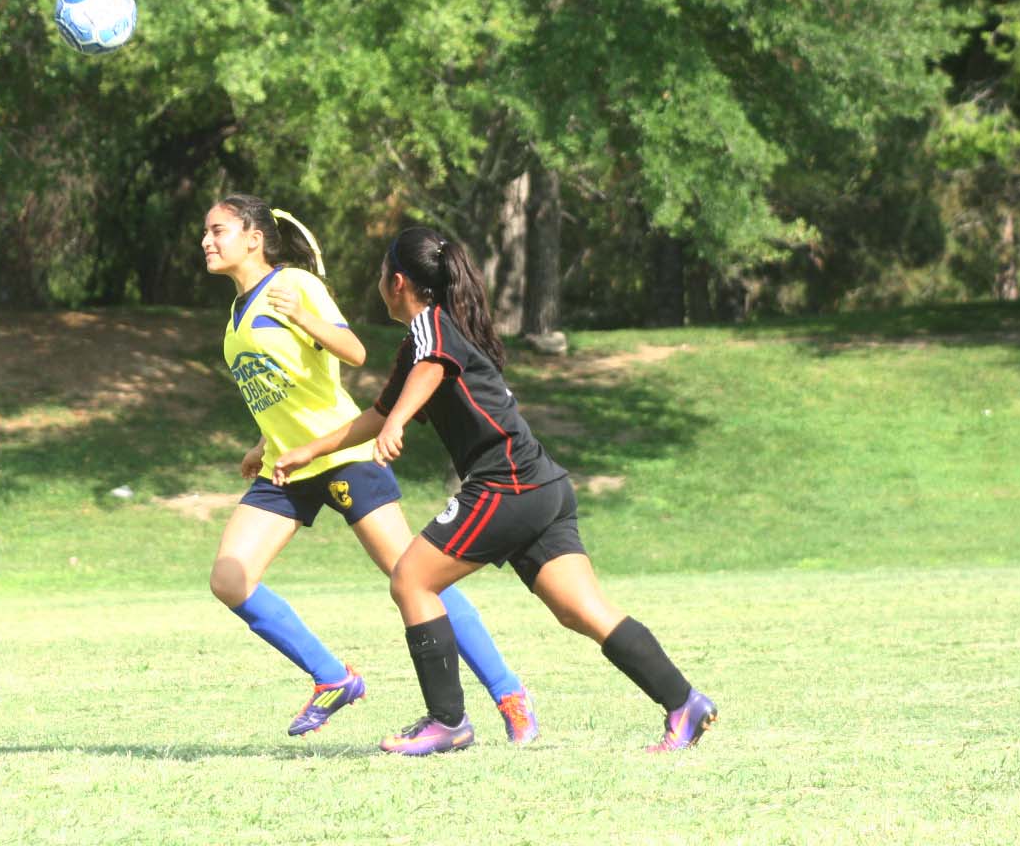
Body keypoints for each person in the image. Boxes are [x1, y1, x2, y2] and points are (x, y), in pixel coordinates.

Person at [275, 225, 718, 755]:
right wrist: (309, 450)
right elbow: (377, 413)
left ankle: (448, 722)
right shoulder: (430, 333)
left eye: (378, 275)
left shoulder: (431, 326)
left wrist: (400, 424)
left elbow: (431, 371)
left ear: (397, 282)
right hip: (541, 484)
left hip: (506, 483)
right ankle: (683, 701)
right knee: (582, 609)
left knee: (411, 579)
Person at [203, 195, 538, 742]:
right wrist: (262, 441)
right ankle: (333, 678)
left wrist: (303, 315)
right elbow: (286, 387)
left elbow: (353, 353)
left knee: (418, 579)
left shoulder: (294, 286)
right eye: (207, 232)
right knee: (229, 578)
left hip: (342, 454)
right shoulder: (236, 314)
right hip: (287, 465)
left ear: (254, 237)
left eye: (218, 230)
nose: (207, 241)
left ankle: (508, 692)